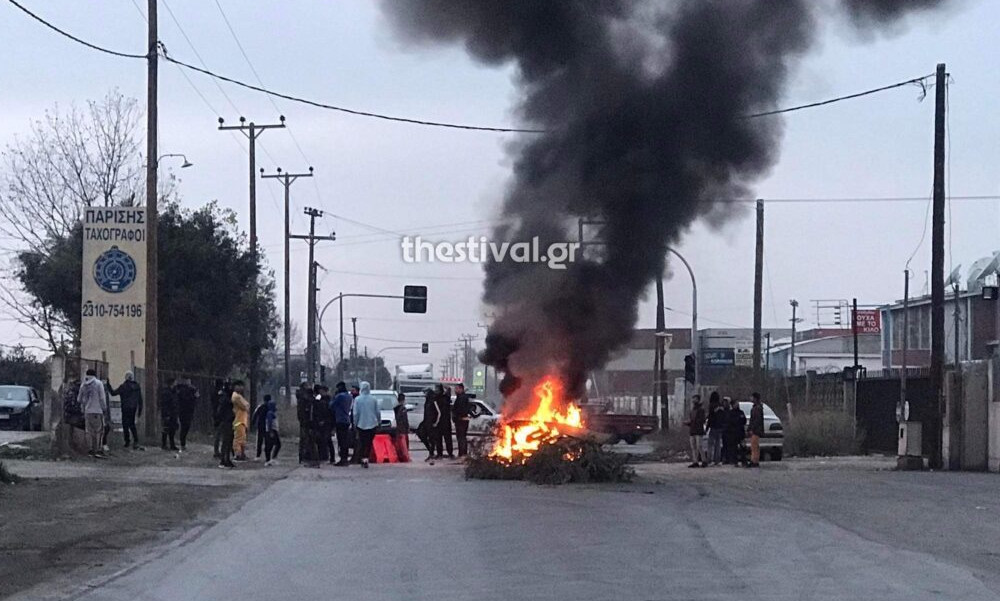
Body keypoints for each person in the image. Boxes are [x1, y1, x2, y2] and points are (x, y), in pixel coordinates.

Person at [78, 369, 108, 458]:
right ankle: (98, 450)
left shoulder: (83, 385)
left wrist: (84, 405)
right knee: (98, 431)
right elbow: (102, 398)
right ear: (95, 375)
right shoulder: (98, 384)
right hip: (97, 411)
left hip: (87, 411)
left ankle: (90, 450)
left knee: (89, 431)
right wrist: (104, 408)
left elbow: (79, 399)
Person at [111, 371, 143, 450]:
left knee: (125, 424)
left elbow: (113, 393)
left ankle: (127, 441)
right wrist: (140, 410)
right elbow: (140, 399)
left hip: (125, 407)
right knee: (132, 424)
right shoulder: (137, 386)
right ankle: (136, 441)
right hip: (133, 408)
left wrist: (108, 385)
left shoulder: (123, 386)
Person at [351, 381, 379, 469]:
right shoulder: (374, 399)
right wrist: (379, 421)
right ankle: (366, 458)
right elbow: (377, 412)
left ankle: (363, 458)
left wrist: (355, 423)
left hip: (361, 424)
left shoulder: (358, 400)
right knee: (369, 442)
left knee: (362, 442)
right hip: (372, 424)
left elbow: (355, 413)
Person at [331, 381, 354, 466]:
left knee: (341, 440)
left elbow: (331, 405)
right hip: (346, 420)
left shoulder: (339, 396)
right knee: (345, 440)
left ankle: (343, 459)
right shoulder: (349, 396)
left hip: (340, 420)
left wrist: (334, 397)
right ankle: (345, 458)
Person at [175, 378, 199, 451]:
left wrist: (195, 396)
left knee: (186, 427)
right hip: (184, 411)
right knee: (184, 427)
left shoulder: (191, 389)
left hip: (188, 411)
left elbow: (195, 398)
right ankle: (183, 443)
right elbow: (185, 399)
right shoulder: (182, 390)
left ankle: (183, 442)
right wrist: (194, 396)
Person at [683, 394, 706, 468]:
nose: (693, 400)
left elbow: (702, 420)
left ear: (698, 400)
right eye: (693, 399)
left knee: (699, 446)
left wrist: (691, 422)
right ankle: (695, 461)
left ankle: (704, 460)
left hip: (698, 430)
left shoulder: (701, 410)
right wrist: (688, 423)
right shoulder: (692, 410)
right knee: (693, 447)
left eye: (695, 399)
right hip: (693, 430)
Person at [312, 384, 333, 464]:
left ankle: (326, 456)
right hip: (325, 422)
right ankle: (326, 456)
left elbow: (326, 412)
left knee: (326, 440)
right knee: (325, 440)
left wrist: (322, 420)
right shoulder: (324, 399)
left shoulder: (324, 400)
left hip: (325, 422)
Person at [217, 382, 236, 469]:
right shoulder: (225, 398)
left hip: (229, 420)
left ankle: (227, 459)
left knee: (229, 441)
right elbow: (221, 410)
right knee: (226, 441)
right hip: (226, 421)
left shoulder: (227, 397)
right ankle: (223, 460)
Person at [451, 383, 472, 458]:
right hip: (461, 420)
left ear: (461, 389)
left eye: (456, 389)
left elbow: (461, 409)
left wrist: (457, 416)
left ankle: (462, 453)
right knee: (461, 437)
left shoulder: (462, 398)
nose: (455, 390)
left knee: (461, 437)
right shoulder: (460, 397)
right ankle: (462, 453)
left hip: (461, 420)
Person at [231, 380, 250, 461]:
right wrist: (246, 405)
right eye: (240, 386)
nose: (242, 388)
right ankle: (238, 454)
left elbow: (247, 405)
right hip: (239, 420)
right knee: (238, 438)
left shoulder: (239, 396)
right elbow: (245, 406)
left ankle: (242, 454)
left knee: (242, 438)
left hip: (242, 420)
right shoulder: (236, 396)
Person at [724, 397, 747, 466]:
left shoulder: (741, 412)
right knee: (734, 448)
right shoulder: (730, 413)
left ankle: (744, 461)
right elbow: (730, 422)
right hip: (733, 433)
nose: (737, 405)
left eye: (738, 404)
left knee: (743, 448)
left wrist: (739, 421)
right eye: (736, 404)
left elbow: (744, 421)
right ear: (732, 405)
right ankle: (735, 461)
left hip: (741, 433)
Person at [419, 388, 440, 462]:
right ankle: (430, 450)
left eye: (426, 393)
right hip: (426, 422)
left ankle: (431, 453)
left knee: (432, 439)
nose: (425, 395)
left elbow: (438, 412)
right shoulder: (427, 402)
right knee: (421, 434)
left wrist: (436, 422)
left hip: (431, 423)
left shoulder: (433, 401)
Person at [434, 384, 454, 459]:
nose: (436, 391)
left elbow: (449, 389)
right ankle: (444, 453)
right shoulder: (443, 398)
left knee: (445, 439)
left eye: (437, 389)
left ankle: (446, 453)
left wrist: (443, 385)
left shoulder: (443, 398)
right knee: (441, 439)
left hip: (443, 421)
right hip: (442, 421)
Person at [706, 391, 726, 466]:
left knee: (710, 444)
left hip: (713, 426)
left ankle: (709, 459)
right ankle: (717, 460)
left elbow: (710, 417)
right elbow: (724, 417)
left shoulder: (711, 405)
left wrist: (707, 427)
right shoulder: (721, 406)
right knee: (718, 444)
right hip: (720, 427)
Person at [296, 382, 314, 464]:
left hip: (303, 420)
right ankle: (305, 456)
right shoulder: (304, 398)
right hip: (305, 420)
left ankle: (303, 456)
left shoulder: (301, 397)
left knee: (304, 439)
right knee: (306, 439)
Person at [212, 379, 229, 459]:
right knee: (220, 434)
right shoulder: (221, 394)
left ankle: (217, 451)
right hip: (220, 416)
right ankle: (218, 451)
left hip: (216, 414)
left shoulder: (214, 393)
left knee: (218, 434)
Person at [160, 378, 180, 451]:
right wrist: (166, 414)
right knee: (166, 429)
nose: (176, 384)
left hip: (174, 413)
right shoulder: (166, 392)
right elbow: (165, 404)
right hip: (168, 413)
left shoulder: (174, 392)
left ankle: (172, 444)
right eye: (175, 383)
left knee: (172, 430)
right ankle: (164, 444)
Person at [748, 392, 765, 468]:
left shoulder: (757, 408)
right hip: (756, 430)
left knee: (754, 446)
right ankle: (755, 459)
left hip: (756, 430)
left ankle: (754, 460)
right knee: (754, 445)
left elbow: (756, 420)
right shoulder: (757, 407)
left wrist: (752, 428)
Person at [263, 395, 281, 466]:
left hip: (272, 430)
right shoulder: (270, 413)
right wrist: (270, 431)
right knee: (275, 445)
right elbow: (269, 422)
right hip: (272, 431)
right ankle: (270, 459)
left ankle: (270, 459)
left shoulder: (271, 413)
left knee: (271, 445)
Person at [393, 392, 410, 462]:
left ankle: (399, 455)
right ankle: (404, 457)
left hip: (397, 428)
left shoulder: (395, 408)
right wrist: (407, 428)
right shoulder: (403, 408)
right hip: (402, 429)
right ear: (404, 400)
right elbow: (405, 419)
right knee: (404, 444)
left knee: (398, 443)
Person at [251, 394, 270, 461]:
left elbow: (255, 415)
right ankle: (268, 458)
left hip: (260, 425)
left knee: (259, 441)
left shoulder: (260, 406)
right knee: (267, 442)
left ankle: (258, 456)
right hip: (267, 426)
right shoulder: (270, 407)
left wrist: (253, 423)